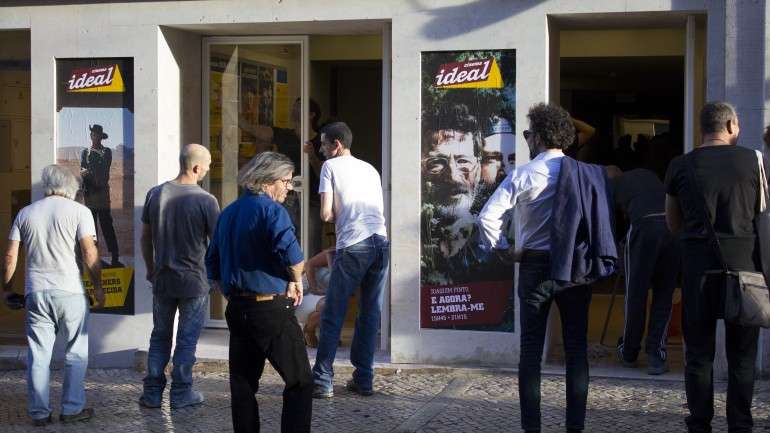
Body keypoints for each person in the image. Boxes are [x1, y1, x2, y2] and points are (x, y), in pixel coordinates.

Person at [478, 103, 616, 433]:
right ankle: (575, 427)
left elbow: (487, 217)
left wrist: (504, 250)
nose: (527, 139)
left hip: (534, 265)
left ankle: (532, 428)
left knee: (531, 351)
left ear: (538, 136)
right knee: (576, 349)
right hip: (576, 267)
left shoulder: (524, 174)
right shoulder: (586, 173)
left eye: (527, 134)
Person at [665, 101, 763, 433]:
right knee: (742, 357)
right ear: (732, 125)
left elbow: (672, 221)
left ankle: (699, 425)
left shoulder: (680, 165)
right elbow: (762, 213)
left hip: (698, 271)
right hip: (746, 270)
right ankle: (740, 425)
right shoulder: (754, 160)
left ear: (702, 128)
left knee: (699, 355)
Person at [206, 151, 311, 433]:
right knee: (300, 381)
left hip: (238, 310)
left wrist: (231, 290)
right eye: (286, 181)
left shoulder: (228, 212)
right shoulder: (272, 211)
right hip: (271, 309)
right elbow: (294, 256)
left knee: (242, 385)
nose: (289, 187)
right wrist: (296, 280)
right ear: (266, 182)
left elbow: (212, 262)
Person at [2, 164, 105, 426]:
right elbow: (89, 253)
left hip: (36, 292)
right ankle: (71, 409)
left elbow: (10, 256)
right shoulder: (80, 212)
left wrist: (7, 288)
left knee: (38, 355)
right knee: (75, 353)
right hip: (70, 291)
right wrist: (98, 287)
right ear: (70, 187)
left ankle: (39, 413)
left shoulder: (25, 213)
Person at [311, 122, 389, 399]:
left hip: (353, 244)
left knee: (333, 312)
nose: (320, 149)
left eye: (323, 144)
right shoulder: (370, 169)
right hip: (380, 242)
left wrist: (336, 213)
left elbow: (325, 214)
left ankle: (322, 380)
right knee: (369, 313)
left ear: (337, 145)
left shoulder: (330, 168)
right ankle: (363, 379)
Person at [138, 144, 220, 409]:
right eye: (207, 167)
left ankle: (151, 393)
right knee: (186, 339)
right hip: (194, 281)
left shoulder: (156, 193)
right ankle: (181, 392)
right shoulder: (206, 200)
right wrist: (216, 277)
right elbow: (216, 243)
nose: (207, 171)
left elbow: (145, 237)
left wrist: (150, 268)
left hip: (162, 278)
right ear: (196, 168)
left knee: (160, 335)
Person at [606, 166, 680, 375]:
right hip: (672, 227)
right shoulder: (647, 174)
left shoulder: (611, 186)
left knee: (635, 294)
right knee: (664, 295)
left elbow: (611, 222)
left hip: (644, 228)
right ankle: (656, 355)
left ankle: (629, 352)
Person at [80, 124, 122, 268]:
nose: (93, 136)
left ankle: (115, 256)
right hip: (90, 196)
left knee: (107, 226)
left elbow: (104, 170)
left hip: (102, 195)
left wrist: (93, 178)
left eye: (96, 134)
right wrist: (91, 179)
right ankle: (94, 257)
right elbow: (83, 171)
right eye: (92, 134)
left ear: (100, 136)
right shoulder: (85, 152)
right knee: (91, 228)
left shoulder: (106, 152)